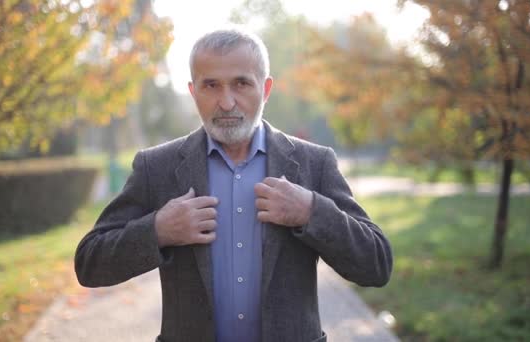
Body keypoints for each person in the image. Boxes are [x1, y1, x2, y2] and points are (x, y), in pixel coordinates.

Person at [74, 27, 392, 342]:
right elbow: (90, 264)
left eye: (241, 83)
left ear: (265, 89)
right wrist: (158, 230)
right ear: (193, 90)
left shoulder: (314, 163)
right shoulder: (156, 167)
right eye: (211, 85)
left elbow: (375, 265)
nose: (226, 103)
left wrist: (311, 212)